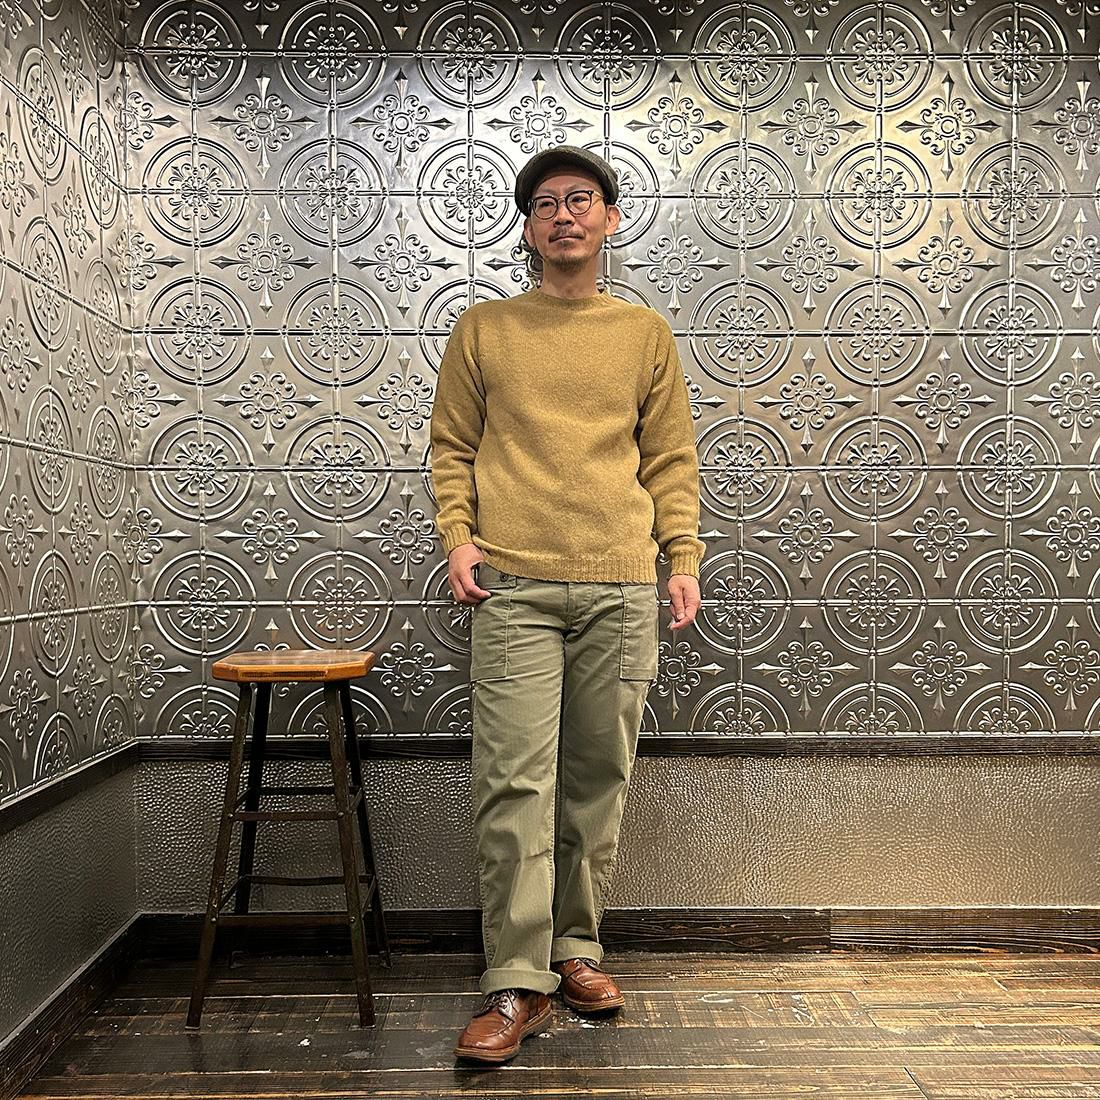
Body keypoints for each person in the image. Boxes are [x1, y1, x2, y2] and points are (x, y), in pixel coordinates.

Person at [429, 144, 704, 1065]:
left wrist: (681, 557)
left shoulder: (644, 333)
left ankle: (576, 949)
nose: (564, 215)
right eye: (545, 203)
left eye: (581, 199)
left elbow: (670, 457)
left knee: (597, 780)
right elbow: (451, 447)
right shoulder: (484, 329)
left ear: (610, 219)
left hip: (621, 584)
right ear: (528, 228)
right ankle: (516, 978)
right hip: (513, 585)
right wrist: (459, 536)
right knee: (514, 784)